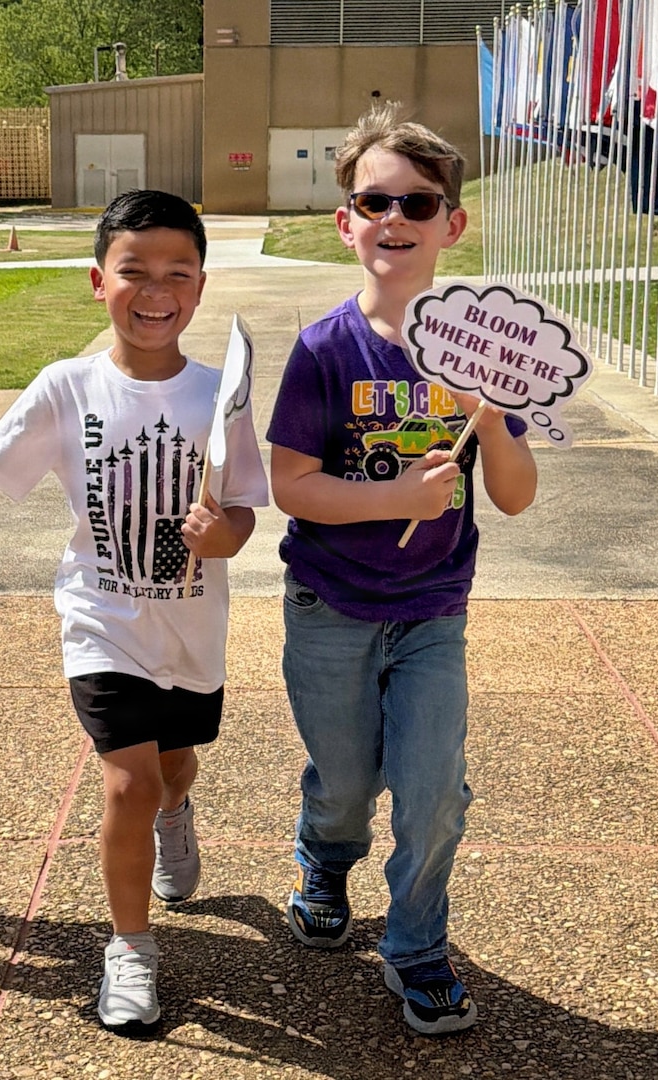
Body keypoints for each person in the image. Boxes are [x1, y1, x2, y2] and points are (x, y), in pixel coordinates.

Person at [0, 189, 269, 1031]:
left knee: (173, 767)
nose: (154, 290)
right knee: (124, 778)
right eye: (134, 271)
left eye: (176, 273)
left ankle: (177, 811)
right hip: (102, 623)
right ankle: (130, 950)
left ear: (199, 287)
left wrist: (221, 533)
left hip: (192, 630)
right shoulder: (66, 388)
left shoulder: (217, 393)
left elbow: (242, 510)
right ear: (98, 280)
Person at [266, 102, 539, 1035]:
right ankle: (326, 857)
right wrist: (394, 501)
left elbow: (514, 496)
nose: (395, 219)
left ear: (450, 225)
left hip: (433, 613)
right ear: (346, 221)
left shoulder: (485, 352)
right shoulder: (324, 350)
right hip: (331, 605)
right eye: (373, 200)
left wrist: (491, 416)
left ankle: (418, 944)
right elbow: (291, 485)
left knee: (432, 789)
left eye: (417, 203)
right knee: (345, 781)